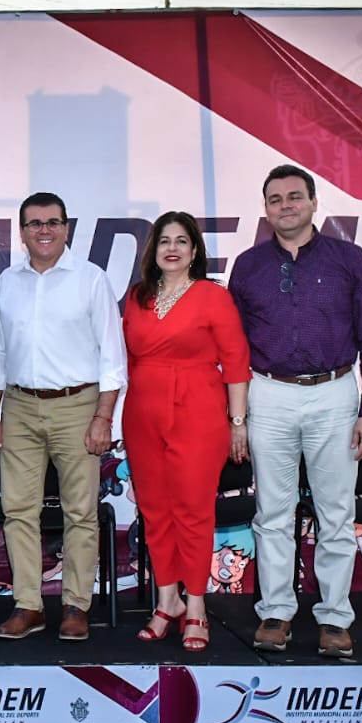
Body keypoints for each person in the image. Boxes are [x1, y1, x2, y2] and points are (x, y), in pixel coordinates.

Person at [230, 164, 362, 659]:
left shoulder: (349, 259)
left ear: (314, 202)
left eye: (295, 196)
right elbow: (233, 348)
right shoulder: (248, 266)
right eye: (275, 199)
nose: (286, 206)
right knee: (272, 513)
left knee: (335, 513)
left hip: (334, 394)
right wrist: (236, 416)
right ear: (266, 209)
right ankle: (275, 613)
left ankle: (335, 618)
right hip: (268, 393)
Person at [0, 192, 126, 642]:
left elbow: (113, 357)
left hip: (78, 406)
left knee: (80, 511)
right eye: (34, 223)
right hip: (20, 407)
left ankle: (75, 606)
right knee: (18, 510)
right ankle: (28, 605)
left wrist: (103, 417)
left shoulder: (91, 279)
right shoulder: (7, 283)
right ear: (22, 232)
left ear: (66, 228)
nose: (43, 230)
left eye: (52, 222)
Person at [121, 211, 250, 652]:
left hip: (198, 411)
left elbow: (236, 363)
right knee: (155, 511)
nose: (172, 248)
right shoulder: (136, 297)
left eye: (181, 241)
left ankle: (196, 605)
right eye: (164, 241)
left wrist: (237, 422)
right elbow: (128, 360)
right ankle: (167, 601)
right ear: (153, 251)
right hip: (143, 413)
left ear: (195, 250)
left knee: (193, 511)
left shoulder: (213, 297)